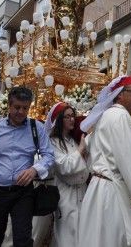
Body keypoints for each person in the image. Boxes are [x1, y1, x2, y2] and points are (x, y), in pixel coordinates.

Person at [77, 76, 131, 247]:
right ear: (119, 95)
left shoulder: (104, 117)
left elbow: (90, 148)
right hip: (111, 192)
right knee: (114, 238)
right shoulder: (120, 116)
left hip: (97, 189)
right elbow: (128, 158)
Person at [0, 86, 55, 247]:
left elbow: (49, 155)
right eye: (17, 107)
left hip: (23, 193)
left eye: (25, 108)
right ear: (9, 106)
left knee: (23, 239)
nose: (20, 112)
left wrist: (34, 169)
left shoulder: (36, 128)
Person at [46, 102, 89, 247]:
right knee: (66, 237)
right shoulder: (53, 142)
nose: (72, 120)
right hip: (65, 194)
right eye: (67, 117)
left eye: (73, 116)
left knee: (82, 235)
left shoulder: (72, 141)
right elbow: (64, 166)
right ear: (59, 120)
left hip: (82, 193)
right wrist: (81, 149)